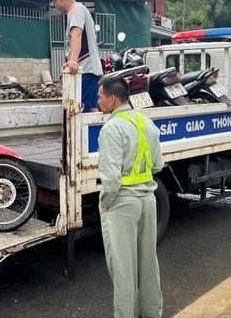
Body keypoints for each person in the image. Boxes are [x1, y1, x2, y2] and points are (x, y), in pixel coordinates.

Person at [97, 77, 164, 318]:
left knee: (124, 270)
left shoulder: (111, 129)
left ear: (112, 99)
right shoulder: (146, 123)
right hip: (148, 199)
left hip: (122, 204)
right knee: (148, 264)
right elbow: (158, 165)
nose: (98, 101)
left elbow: (111, 179)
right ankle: (152, 313)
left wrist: (105, 204)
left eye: (100, 97)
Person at [49, 0, 103, 112]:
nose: (56, 7)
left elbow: (77, 34)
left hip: (86, 71)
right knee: (88, 111)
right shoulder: (78, 10)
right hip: (86, 71)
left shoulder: (76, 10)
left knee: (86, 113)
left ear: (59, 0)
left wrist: (72, 61)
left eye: (54, 4)